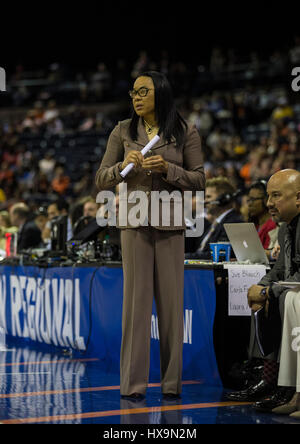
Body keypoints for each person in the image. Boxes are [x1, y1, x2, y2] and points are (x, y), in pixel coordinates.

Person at [95, 71, 205, 400]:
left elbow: (199, 179)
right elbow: (101, 178)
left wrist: (167, 170)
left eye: (143, 91)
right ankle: (132, 386)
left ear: (161, 94)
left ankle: (172, 386)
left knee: (171, 308)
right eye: (133, 92)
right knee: (135, 308)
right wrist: (121, 168)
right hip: (134, 226)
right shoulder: (122, 131)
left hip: (171, 226)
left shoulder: (186, 131)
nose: (136, 97)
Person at [226, 169, 300, 412]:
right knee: (257, 295)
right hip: (289, 293)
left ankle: (283, 384)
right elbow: (278, 271)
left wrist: (269, 293)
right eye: (268, 196)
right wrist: (262, 287)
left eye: (276, 196)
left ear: (298, 197)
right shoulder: (286, 228)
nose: (269, 203)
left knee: (276, 300)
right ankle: (267, 379)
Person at [186, 177, 243, 260]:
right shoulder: (214, 224)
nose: (205, 201)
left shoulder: (233, 223)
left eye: (208, 197)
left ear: (224, 199)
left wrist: (185, 257)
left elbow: (219, 254)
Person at [246, 180, 278, 257]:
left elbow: (270, 256)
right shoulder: (254, 224)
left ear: (266, 200)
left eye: (253, 199)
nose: (250, 204)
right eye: (249, 200)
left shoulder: (273, 225)